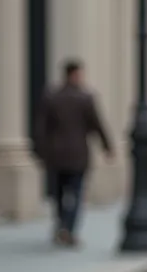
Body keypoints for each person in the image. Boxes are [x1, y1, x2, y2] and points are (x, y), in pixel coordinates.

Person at [33, 59, 113, 246]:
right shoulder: (85, 98)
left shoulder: (51, 96)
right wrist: (107, 146)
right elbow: (97, 124)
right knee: (76, 193)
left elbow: (40, 128)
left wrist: (41, 150)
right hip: (77, 154)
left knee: (59, 193)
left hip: (56, 154)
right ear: (74, 75)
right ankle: (68, 228)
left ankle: (61, 224)